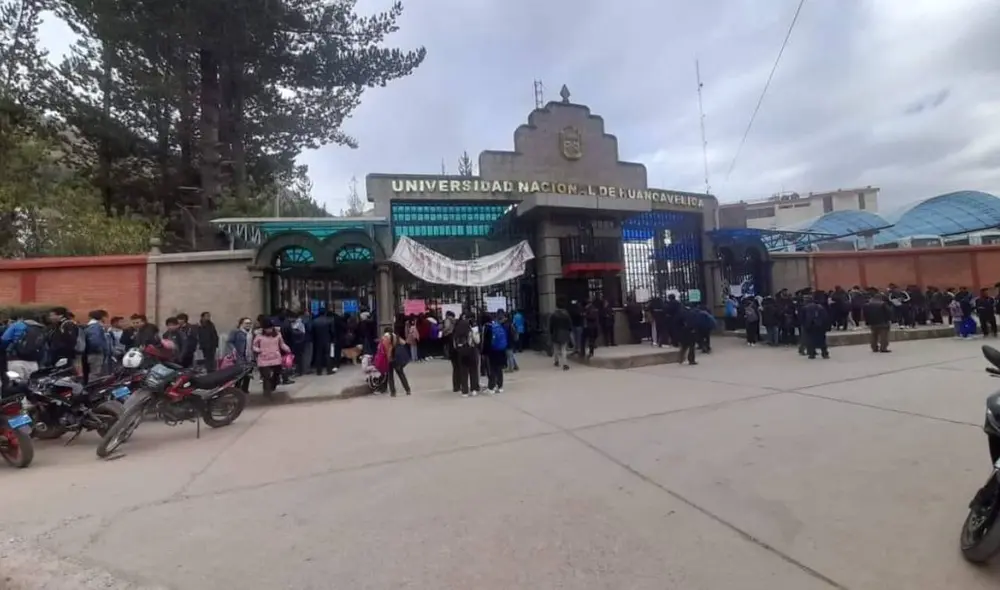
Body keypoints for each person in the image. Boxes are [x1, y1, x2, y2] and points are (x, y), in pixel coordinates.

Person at [252, 320, 290, 400]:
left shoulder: (278, 334)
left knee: (277, 373)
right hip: (263, 358)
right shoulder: (259, 336)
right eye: (266, 329)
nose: (268, 330)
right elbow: (254, 346)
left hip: (276, 357)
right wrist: (258, 350)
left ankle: (272, 386)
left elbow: (282, 344)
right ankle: (267, 393)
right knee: (266, 376)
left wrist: (287, 349)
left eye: (270, 328)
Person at [1, 313, 47, 378]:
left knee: (16, 384)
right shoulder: (41, 328)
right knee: (32, 384)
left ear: (22, 318)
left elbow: (4, 340)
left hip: (16, 359)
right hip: (34, 361)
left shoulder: (17, 325)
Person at [379, 329, 412, 397]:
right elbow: (404, 343)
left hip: (389, 359)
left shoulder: (384, 338)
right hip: (397, 358)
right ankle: (407, 390)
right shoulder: (396, 337)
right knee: (401, 374)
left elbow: (383, 348)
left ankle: (393, 392)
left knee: (390, 376)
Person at [226, 317, 255, 392]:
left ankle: (245, 390)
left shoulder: (251, 333)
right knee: (240, 374)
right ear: (241, 324)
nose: (248, 325)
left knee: (248, 374)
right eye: (246, 323)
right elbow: (229, 341)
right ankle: (237, 390)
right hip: (239, 356)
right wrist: (233, 349)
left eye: (250, 323)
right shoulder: (236, 331)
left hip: (249, 357)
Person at [482, 312, 508, 393]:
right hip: (501, 349)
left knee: (492, 369)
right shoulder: (497, 325)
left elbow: (485, 342)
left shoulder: (487, 327)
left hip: (492, 351)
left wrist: (483, 352)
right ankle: (500, 386)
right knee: (499, 369)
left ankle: (491, 387)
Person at [83, 309, 112, 382]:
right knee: (95, 374)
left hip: (91, 353)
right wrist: (101, 350)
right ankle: (92, 390)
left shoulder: (91, 326)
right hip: (96, 354)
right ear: (102, 317)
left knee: (95, 373)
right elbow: (95, 341)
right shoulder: (95, 326)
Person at [801, 295, 830, 359]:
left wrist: (805, 325)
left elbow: (802, 318)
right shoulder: (820, 307)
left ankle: (812, 354)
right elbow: (825, 317)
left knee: (810, 341)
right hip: (820, 326)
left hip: (810, 327)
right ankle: (825, 353)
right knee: (822, 340)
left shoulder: (804, 308)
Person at [549, 305, 572, 371]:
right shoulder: (566, 315)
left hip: (555, 333)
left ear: (556, 307)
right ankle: (565, 364)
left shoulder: (553, 315)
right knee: (564, 349)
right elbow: (570, 325)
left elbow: (551, 325)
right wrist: (569, 331)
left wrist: (551, 332)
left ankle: (556, 361)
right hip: (564, 333)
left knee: (556, 348)